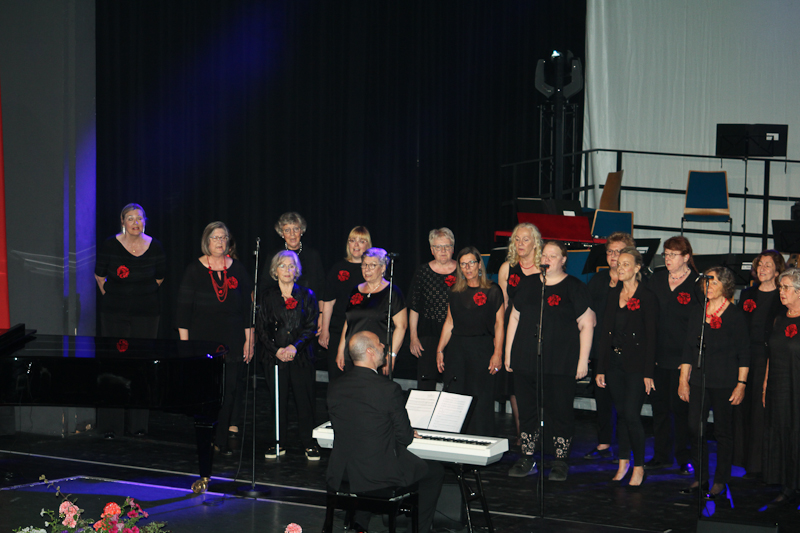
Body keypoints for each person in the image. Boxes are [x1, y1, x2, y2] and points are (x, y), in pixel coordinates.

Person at [327, 331, 445, 533]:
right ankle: (420, 530)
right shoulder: (388, 389)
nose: (384, 346)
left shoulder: (335, 387)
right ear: (370, 352)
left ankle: (360, 526)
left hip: (342, 472)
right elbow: (405, 437)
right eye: (380, 344)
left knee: (366, 460)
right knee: (435, 471)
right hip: (377, 474)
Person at [504, 241, 595, 480]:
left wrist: (582, 360)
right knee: (527, 410)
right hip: (526, 358)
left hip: (561, 361)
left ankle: (560, 460)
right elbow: (514, 317)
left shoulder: (574, 287)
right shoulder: (528, 284)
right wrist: (508, 353)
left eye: (553, 256)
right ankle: (527, 456)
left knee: (560, 411)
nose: (547, 259)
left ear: (563, 260)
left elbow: (587, 324)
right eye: (544, 255)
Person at [177, 222, 254, 455]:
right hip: (203, 340)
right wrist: (185, 345)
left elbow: (248, 309)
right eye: (215, 238)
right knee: (206, 391)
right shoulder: (194, 269)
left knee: (229, 391)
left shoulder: (238, 269)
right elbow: (183, 311)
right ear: (206, 241)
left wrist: (250, 339)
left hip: (233, 339)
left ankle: (220, 440)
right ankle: (206, 434)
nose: (220, 242)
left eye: (223, 237)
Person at [94, 203, 166, 439]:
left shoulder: (155, 246)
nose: (136, 222)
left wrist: (138, 297)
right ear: (122, 222)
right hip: (114, 314)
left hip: (146, 314)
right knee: (113, 366)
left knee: (141, 366)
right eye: (131, 218)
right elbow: (99, 275)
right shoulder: (110, 245)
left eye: (140, 218)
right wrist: (115, 297)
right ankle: (110, 426)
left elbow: (160, 278)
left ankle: (138, 426)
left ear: (145, 221)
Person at [678, 267, 749, 500]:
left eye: (714, 282)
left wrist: (741, 384)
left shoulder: (735, 315)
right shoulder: (698, 311)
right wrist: (683, 380)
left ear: (726, 286)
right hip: (699, 379)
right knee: (694, 427)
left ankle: (720, 480)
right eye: (706, 282)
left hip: (725, 380)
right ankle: (701, 477)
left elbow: (744, 353)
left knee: (722, 431)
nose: (708, 286)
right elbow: (688, 347)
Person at [595, 247, 657, 486]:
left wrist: (649, 373)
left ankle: (639, 467)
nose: (620, 268)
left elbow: (652, 337)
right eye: (618, 264)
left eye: (626, 264)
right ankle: (623, 463)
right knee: (621, 414)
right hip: (614, 363)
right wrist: (601, 368)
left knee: (631, 414)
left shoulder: (647, 296)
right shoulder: (613, 294)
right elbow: (605, 333)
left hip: (636, 365)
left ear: (637, 268)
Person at [646, 236, 702, 474]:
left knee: (681, 410)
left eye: (672, 255)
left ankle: (683, 457)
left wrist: (688, 360)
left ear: (686, 257)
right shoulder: (657, 279)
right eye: (665, 254)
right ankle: (661, 455)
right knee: (659, 409)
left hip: (682, 357)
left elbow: (697, 325)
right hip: (658, 354)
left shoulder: (697, 283)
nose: (667, 259)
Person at [257, 250, 319, 460]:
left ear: (297, 270)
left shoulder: (307, 295)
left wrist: (294, 347)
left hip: (301, 358)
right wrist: (276, 350)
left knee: (304, 402)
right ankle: (278, 442)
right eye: (282, 265)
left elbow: (311, 326)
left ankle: (309, 443)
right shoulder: (267, 296)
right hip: (274, 358)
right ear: (275, 270)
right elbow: (261, 328)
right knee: (278, 401)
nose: (287, 270)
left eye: (291, 266)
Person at [437, 246, 504, 437]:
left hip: (482, 349)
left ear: (479, 264)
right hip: (457, 350)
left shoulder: (492, 290)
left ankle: (481, 439)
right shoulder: (455, 291)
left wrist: (498, 353)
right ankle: (455, 439)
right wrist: (440, 350)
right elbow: (449, 322)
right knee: (455, 394)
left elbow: (499, 324)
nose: (467, 268)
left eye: (471, 263)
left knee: (481, 397)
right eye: (463, 264)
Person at [733, 250, 785, 479]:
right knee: (742, 408)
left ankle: (759, 464)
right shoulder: (748, 293)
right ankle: (742, 459)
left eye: (768, 265)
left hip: (767, 357)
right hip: (745, 356)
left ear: (777, 270)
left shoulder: (781, 297)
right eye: (760, 265)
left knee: (760, 410)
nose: (762, 269)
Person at [584, 232, 635, 461]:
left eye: (619, 251)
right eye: (610, 251)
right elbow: (588, 315)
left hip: (626, 351)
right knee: (602, 400)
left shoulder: (636, 282)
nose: (614, 256)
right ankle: (604, 443)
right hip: (601, 348)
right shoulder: (598, 280)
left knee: (625, 403)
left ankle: (627, 448)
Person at [497, 223, 543, 443]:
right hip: (513, 329)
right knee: (516, 384)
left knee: (538, 382)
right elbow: (503, 305)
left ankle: (539, 430)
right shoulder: (507, 268)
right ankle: (522, 433)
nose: (520, 243)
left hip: (538, 329)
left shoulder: (544, 267)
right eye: (517, 239)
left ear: (535, 242)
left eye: (526, 239)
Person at [761, 268, 800, 508]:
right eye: (780, 288)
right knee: (782, 433)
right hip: (779, 384)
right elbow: (771, 354)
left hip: (797, 386)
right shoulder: (779, 318)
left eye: (786, 288)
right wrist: (766, 383)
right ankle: (787, 485)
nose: (781, 292)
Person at [336, 248, 407, 375]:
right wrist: (341, 350)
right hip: (353, 354)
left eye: (372, 265)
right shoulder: (356, 290)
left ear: (383, 268)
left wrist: (391, 355)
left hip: (377, 358)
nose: (367, 269)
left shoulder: (392, 292)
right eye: (364, 265)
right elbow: (348, 322)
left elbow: (401, 326)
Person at [319, 226, 371, 382]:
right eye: (352, 240)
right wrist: (324, 330)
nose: (356, 245)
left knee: (359, 377)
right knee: (337, 374)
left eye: (361, 241)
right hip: (337, 328)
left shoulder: (371, 269)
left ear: (368, 244)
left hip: (363, 329)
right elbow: (329, 302)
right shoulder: (338, 268)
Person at [408, 228, 458, 391]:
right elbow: (414, 307)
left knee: (454, 383)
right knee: (426, 382)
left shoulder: (462, 270)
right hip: (428, 334)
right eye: (438, 247)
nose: (443, 251)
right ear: (431, 250)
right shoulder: (423, 272)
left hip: (455, 334)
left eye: (447, 246)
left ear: (453, 248)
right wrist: (413, 337)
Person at [260, 212, 325, 323]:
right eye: (287, 230)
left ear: (302, 231)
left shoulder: (313, 255)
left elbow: (321, 287)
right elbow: (265, 287)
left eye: (296, 229)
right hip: (280, 316)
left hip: (309, 315)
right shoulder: (274, 256)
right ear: (282, 233)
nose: (292, 234)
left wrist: (321, 315)